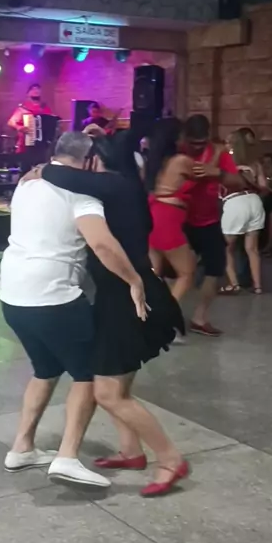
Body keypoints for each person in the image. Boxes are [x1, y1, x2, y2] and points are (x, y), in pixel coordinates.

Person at [42, 132, 190, 497]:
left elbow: (56, 172)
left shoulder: (115, 184)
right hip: (120, 296)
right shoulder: (126, 186)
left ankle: (170, 458)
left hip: (130, 296)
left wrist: (39, 169)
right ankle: (130, 451)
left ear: (96, 160)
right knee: (113, 380)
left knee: (107, 392)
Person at [0, 132, 147, 489]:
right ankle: (67, 457)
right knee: (88, 374)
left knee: (46, 369)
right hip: (54, 296)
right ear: (90, 160)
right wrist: (134, 280)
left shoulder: (28, 183)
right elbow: (101, 243)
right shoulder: (81, 193)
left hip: (12, 295)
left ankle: (22, 448)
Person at [181, 114, 243, 336]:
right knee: (175, 271)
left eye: (201, 143)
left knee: (215, 268)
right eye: (193, 143)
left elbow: (238, 182)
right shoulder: (177, 151)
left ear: (207, 136)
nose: (197, 147)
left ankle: (199, 318)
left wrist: (217, 172)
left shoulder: (219, 153)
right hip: (180, 220)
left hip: (208, 221)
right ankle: (163, 318)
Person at [145, 118, 197, 307]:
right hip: (168, 220)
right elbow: (204, 173)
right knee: (186, 273)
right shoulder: (181, 161)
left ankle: (146, 313)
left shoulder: (154, 162)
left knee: (154, 273)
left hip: (152, 216)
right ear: (176, 138)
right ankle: (167, 316)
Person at [220, 129, 266, 295]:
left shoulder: (225, 161)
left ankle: (234, 284)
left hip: (235, 203)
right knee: (252, 249)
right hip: (254, 202)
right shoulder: (255, 163)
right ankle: (258, 286)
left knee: (226, 248)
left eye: (227, 142)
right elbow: (264, 186)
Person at [7, 83, 52, 154]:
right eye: (33, 89)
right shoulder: (23, 109)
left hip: (43, 147)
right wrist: (19, 127)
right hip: (25, 145)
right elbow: (11, 122)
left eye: (38, 89)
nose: (36, 91)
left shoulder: (45, 109)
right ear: (28, 94)